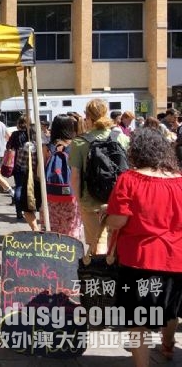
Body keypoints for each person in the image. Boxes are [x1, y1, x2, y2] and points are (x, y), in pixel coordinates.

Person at [106, 127, 182, 366]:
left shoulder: (129, 180)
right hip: (177, 258)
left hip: (140, 260)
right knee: (172, 307)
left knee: (139, 320)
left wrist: (105, 217)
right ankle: (168, 344)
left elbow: (118, 221)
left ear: (135, 151)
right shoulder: (180, 181)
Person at [70, 98, 130, 254]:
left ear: (88, 117)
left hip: (90, 200)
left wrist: (79, 200)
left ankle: (100, 268)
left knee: (97, 242)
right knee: (116, 242)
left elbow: (75, 176)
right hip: (118, 200)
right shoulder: (122, 138)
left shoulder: (79, 142)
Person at [44, 114, 82, 239]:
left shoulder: (47, 148)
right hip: (72, 195)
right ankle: (71, 251)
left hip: (50, 196)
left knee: (52, 230)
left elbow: (39, 174)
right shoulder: (76, 146)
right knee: (71, 230)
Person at [6, 116, 29, 220]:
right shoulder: (30, 134)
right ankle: (29, 209)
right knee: (28, 187)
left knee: (18, 186)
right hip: (29, 163)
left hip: (17, 163)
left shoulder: (15, 134)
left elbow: (8, 146)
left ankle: (18, 211)